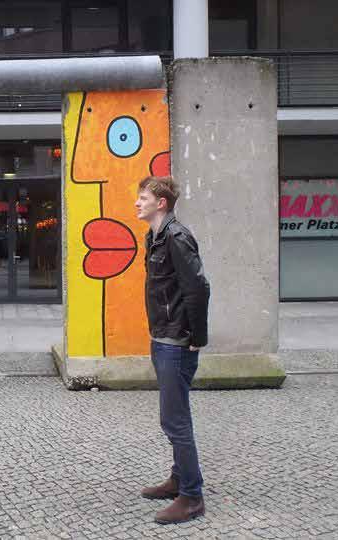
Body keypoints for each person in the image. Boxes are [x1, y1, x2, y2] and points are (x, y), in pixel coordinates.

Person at [134, 176, 210, 525]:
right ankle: (179, 479)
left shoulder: (177, 237)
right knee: (176, 416)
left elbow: (198, 287)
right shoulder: (154, 237)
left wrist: (197, 336)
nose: (137, 203)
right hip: (163, 335)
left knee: (174, 420)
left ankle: (192, 496)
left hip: (177, 340)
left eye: (143, 197)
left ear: (161, 203)